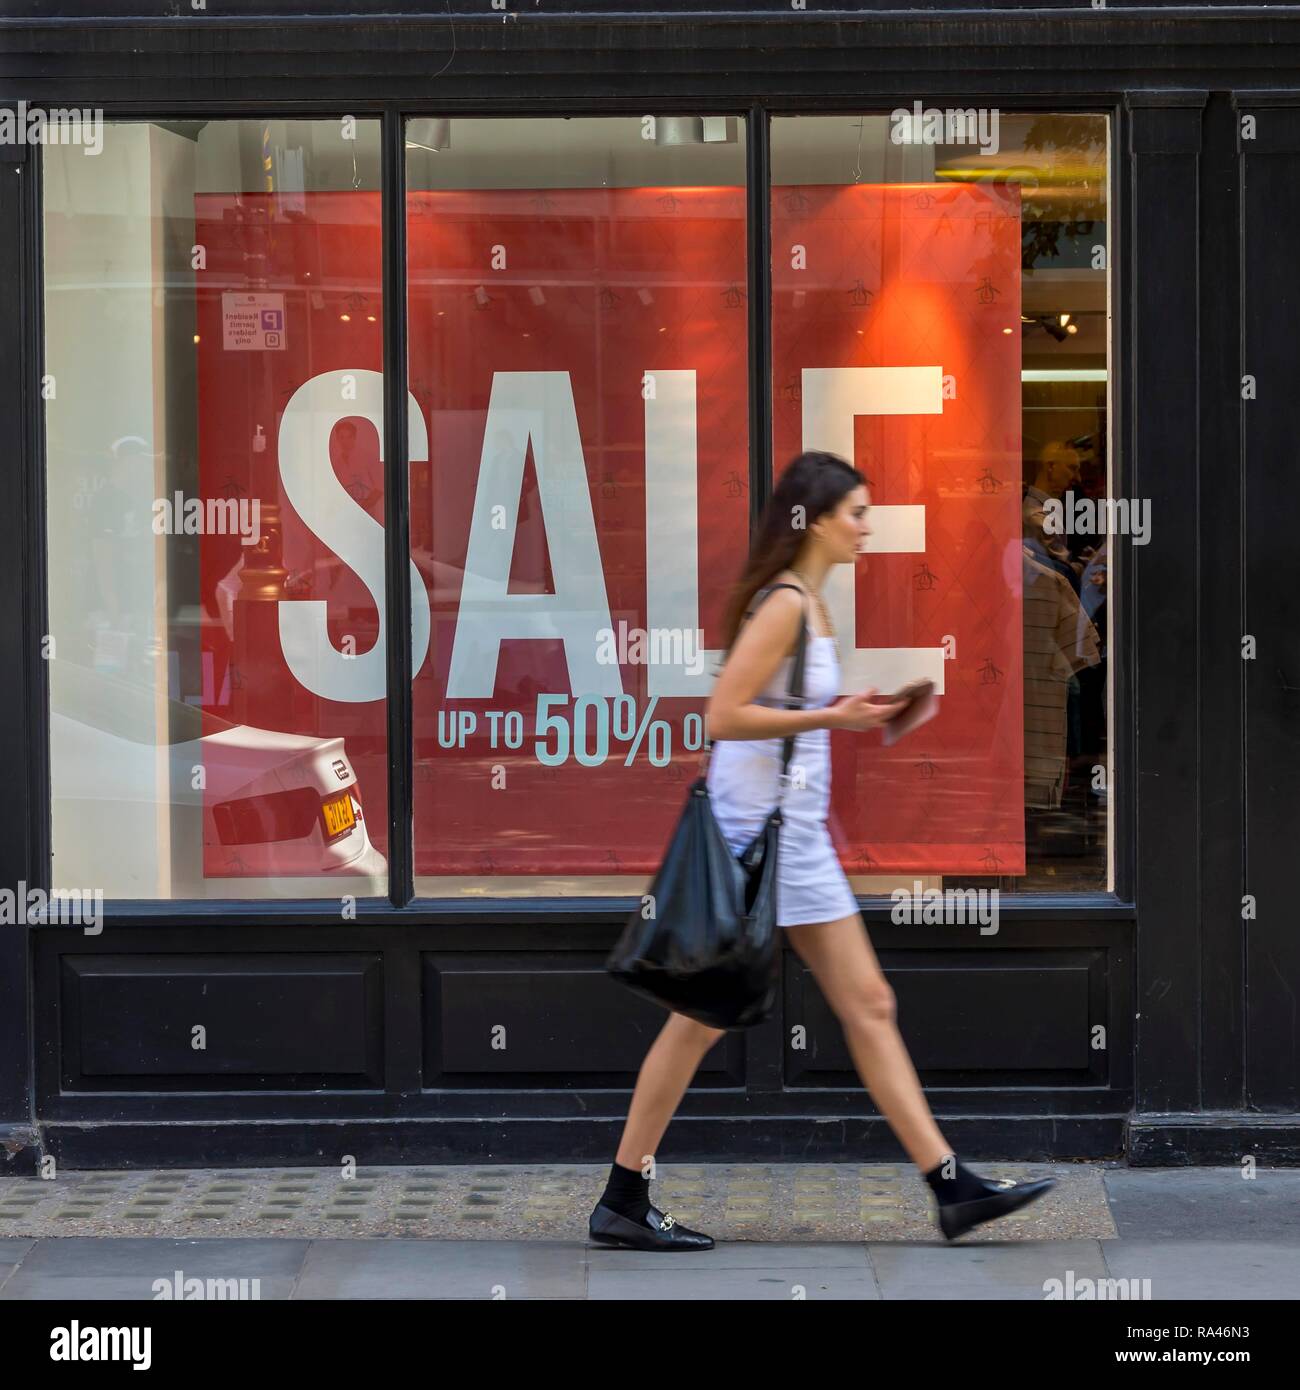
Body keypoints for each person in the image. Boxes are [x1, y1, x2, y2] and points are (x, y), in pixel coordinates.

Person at [589, 451, 1056, 1251]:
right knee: (700, 1021)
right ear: (813, 520)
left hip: (790, 842)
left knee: (861, 1005)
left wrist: (853, 713)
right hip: (755, 846)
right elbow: (724, 715)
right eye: (855, 513)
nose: (866, 528)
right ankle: (624, 1198)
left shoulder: (809, 604)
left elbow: (781, 710)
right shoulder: (785, 604)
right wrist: (831, 720)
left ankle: (951, 1188)